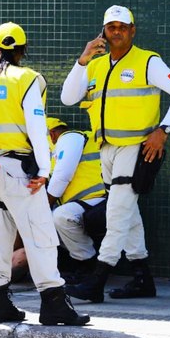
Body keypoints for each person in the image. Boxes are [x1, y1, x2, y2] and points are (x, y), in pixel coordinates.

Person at [0, 22, 89, 326]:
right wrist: (44, 170)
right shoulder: (28, 79)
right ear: (22, 51)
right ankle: (53, 303)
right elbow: (37, 128)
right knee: (40, 236)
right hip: (21, 173)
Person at [61, 5, 170, 303]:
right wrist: (82, 60)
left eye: (122, 26)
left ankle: (97, 281)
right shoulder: (94, 65)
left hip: (136, 149)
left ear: (132, 30)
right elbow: (68, 98)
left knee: (117, 214)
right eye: (111, 27)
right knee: (128, 212)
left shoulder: (148, 61)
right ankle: (143, 278)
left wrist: (163, 130)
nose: (117, 31)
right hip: (107, 150)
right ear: (104, 32)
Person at [46, 117, 106, 282]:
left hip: (99, 200)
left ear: (51, 134)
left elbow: (62, 176)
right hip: (84, 204)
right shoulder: (57, 151)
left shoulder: (69, 138)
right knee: (47, 222)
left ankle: (88, 265)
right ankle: (72, 265)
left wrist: (45, 206)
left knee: (60, 216)